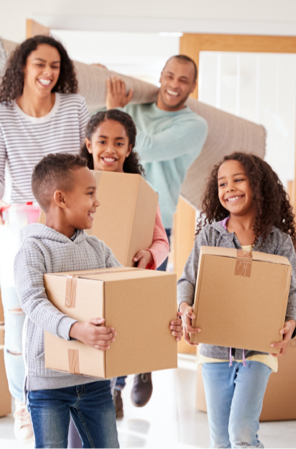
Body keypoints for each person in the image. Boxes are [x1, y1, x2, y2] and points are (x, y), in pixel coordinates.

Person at [14, 153, 183, 448]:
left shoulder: (97, 248)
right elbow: (33, 302)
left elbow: (126, 296)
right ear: (61, 199)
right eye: (90, 193)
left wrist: (163, 323)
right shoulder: (32, 250)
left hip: (94, 380)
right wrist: (76, 329)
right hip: (48, 383)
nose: (98, 201)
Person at [0, 35, 89, 441]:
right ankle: (23, 407)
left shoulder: (74, 107)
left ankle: (73, 400)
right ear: (22, 68)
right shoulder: (1, 115)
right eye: (39, 65)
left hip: (67, 227)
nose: (48, 73)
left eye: (55, 66)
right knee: (19, 324)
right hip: (19, 227)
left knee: (67, 315)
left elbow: (89, 161)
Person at [104, 55, 209, 407]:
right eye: (168, 76)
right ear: (160, 77)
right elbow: (101, 136)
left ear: (192, 86)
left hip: (154, 221)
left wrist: (117, 111)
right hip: (115, 213)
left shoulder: (194, 125)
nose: (174, 84)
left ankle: (142, 366)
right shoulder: (137, 108)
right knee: (111, 305)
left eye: (183, 79)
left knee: (140, 307)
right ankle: (115, 389)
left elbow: (145, 146)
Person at [178, 152, 296, 447]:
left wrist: (290, 323)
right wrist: (184, 308)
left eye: (238, 180)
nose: (229, 188)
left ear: (258, 185)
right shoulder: (210, 236)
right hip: (214, 353)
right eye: (222, 183)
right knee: (220, 440)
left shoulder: (277, 241)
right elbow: (187, 281)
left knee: (242, 433)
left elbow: (293, 290)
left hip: (259, 349)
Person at [79, 109, 169, 420]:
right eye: (102, 141)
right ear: (89, 145)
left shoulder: (140, 191)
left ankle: (118, 387)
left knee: (118, 333)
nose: (110, 149)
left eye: (119, 143)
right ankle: (112, 387)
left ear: (128, 149)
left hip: (126, 279)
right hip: (87, 279)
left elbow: (161, 241)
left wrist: (150, 255)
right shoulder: (74, 185)